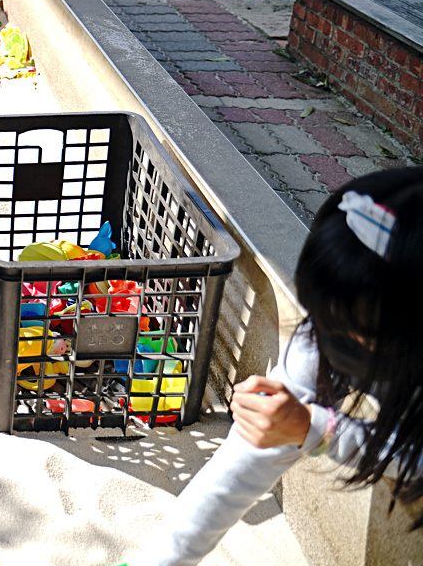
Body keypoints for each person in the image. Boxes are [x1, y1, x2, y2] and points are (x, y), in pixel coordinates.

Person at [138, 167, 423, 565]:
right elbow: (247, 456)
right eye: (322, 315)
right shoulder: (334, 324)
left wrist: (317, 429)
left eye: (359, 334)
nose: (326, 340)